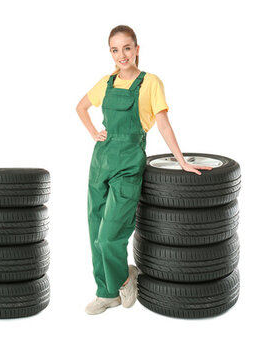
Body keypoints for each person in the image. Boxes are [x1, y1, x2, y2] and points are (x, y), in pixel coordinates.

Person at [75, 25, 212, 315]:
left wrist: (181, 161)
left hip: (128, 162)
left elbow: (163, 124)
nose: (121, 55)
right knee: (94, 230)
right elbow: (81, 107)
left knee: (109, 235)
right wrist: (94, 132)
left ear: (137, 49)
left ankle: (125, 278)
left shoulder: (150, 83)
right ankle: (106, 293)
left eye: (127, 48)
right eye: (115, 50)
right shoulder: (106, 82)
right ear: (110, 52)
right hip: (100, 161)